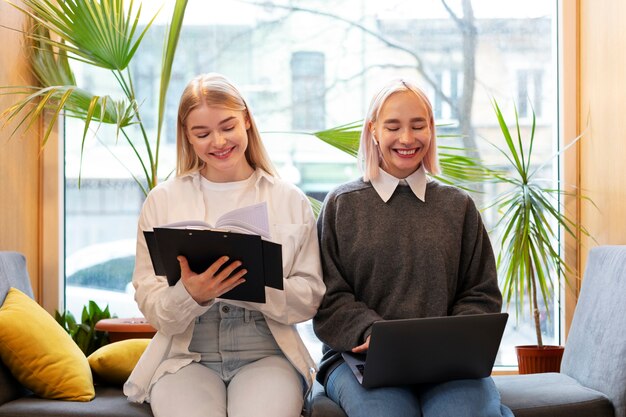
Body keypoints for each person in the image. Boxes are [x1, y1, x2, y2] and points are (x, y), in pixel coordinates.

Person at [123, 73, 325, 417]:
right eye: (201, 133)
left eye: (228, 126)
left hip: (266, 351)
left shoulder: (288, 198)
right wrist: (191, 294)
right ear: (187, 136)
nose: (218, 141)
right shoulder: (162, 200)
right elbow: (152, 304)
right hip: (186, 354)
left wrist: (256, 286)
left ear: (246, 119)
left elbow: (310, 297)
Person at [312, 78, 514, 417]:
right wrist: (372, 333)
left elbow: (481, 294)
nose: (407, 138)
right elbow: (328, 296)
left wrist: (448, 343)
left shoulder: (458, 206)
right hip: (357, 360)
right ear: (373, 130)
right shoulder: (341, 205)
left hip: (449, 365)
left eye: (418, 125)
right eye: (393, 126)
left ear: (431, 129)